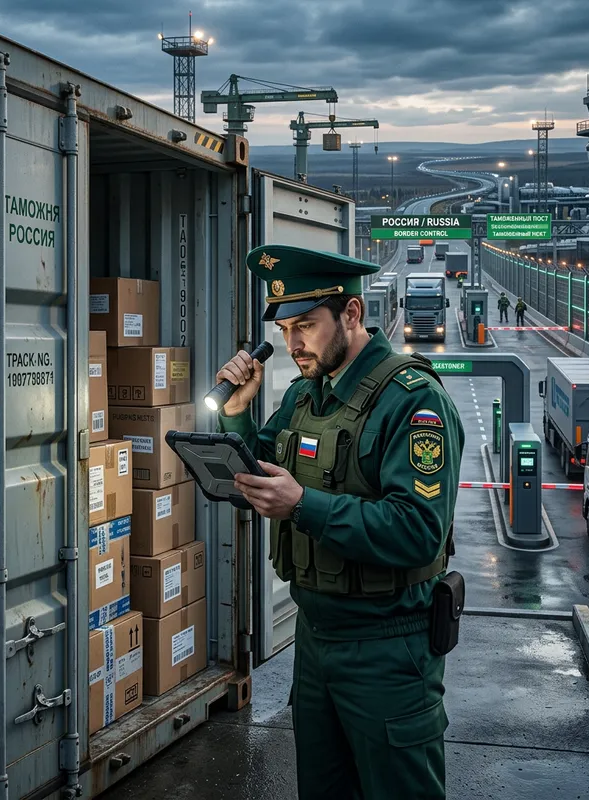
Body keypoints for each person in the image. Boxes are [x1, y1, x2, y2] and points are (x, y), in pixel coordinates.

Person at [214, 244, 465, 800]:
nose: (293, 343)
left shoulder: (412, 401)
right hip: (316, 642)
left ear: (351, 314)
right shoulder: (307, 395)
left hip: (388, 650)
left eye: (306, 325)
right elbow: (267, 475)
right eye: (285, 330)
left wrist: (303, 505)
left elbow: (418, 529)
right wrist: (238, 418)